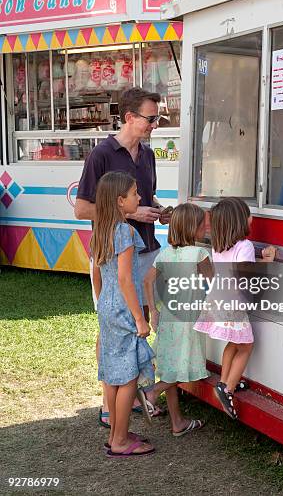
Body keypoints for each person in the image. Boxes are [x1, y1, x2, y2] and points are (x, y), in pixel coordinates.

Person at [74, 87, 171, 426]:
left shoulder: (148, 154)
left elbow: (146, 197)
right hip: (113, 254)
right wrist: (132, 215)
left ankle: (137, 392)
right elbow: (82, 208)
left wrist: (159, 210)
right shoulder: (101, 154)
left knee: (142, 321)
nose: (155, 124)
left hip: (145, 247)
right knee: (114, 323)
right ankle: (109, 402)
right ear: (130, 117)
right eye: (151, 118)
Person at [91, 172, 155, 457]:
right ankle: (119, 441)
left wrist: (104, 300)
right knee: (128, 376)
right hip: (125, 310)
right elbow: (127, 279)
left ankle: (118, 433)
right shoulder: (125, 231)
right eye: (134, 193)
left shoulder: (101, 230)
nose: (139, 198)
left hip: (107, 306)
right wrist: (140, 318)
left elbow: (97, 274)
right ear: (120, 200)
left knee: (115, 375)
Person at [194, 197, 275, 420]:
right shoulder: (245, 246)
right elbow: (245, 275)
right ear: (239, 222)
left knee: (233, 342)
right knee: (247, 345)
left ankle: (223, 381)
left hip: (218, 300)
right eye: (248, 215)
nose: (252, 218)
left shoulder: (219, 246)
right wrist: (267, 261)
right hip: (233, 304)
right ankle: (227, 389)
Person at [143, 203, 209, 436]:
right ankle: (151, 393)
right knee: (182, 371)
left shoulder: (165, 254)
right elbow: (217, 284)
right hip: (188, 320)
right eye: (203, 223)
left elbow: (148, 281)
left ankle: (177, 422)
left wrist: (153, 311)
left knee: (169, 368)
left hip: (168, 316)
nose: (206, 226)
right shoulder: (200, 254)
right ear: (193, 228)